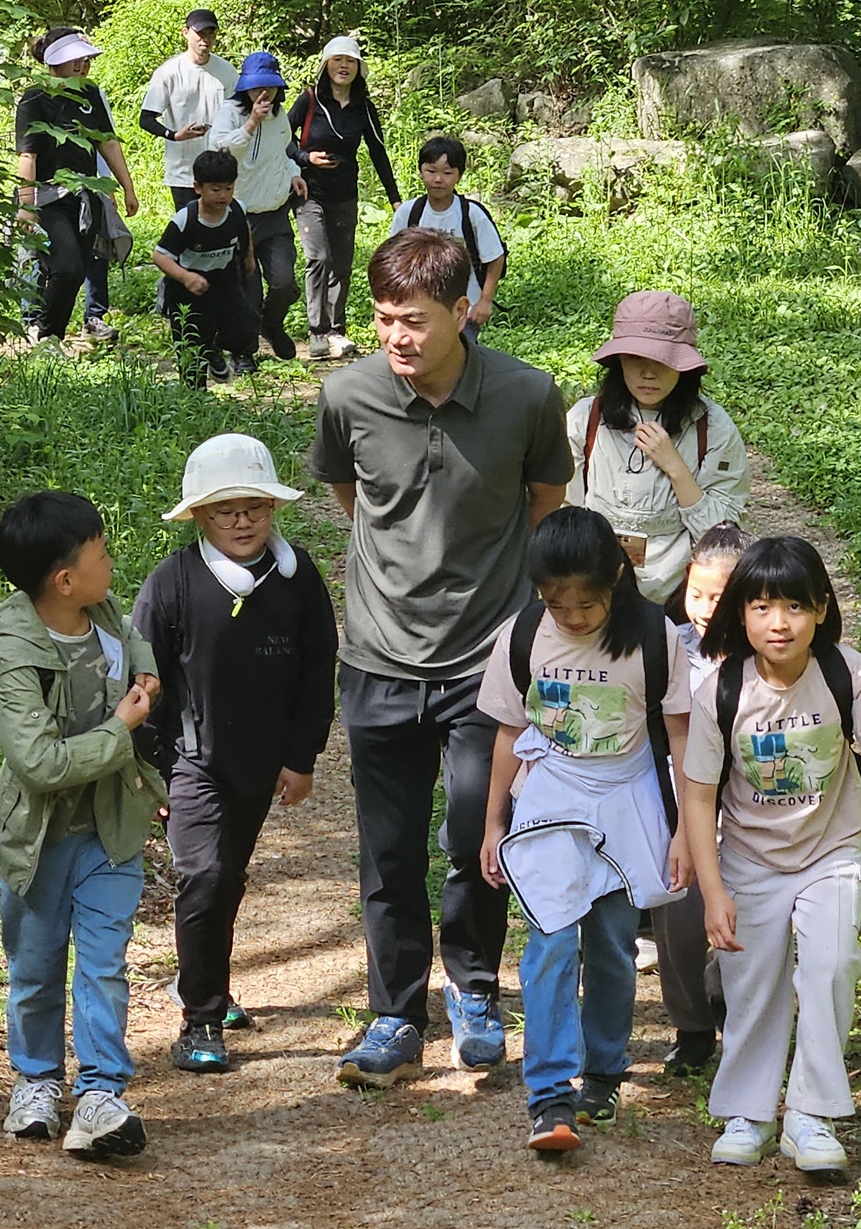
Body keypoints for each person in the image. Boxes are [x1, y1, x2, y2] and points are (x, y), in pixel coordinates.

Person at [307, 228, 572, 1088]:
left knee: (476, 835)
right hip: (379, 658)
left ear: (466, 310)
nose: (397, 338)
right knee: (387, 849)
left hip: (487, 662)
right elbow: (355, 503)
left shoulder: (528, 397)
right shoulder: (347, 396)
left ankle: (473, 989)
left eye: (414, 320)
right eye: (383, 320)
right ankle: (393, 1013)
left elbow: (544, 508)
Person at [684, 536, 861, 1174]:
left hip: (832, 851)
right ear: (741, 614)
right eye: (762, 606)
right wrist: (713, 893)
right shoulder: (718, 688)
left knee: (831, 964)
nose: (779, 622)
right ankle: (748, 1112)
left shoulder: (845, 672)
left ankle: (812, 1117)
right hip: (747, 858)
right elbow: (698, 794)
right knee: (752, 983)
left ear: (821, 609)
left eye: (795, 606)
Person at [478, 507, 691, 1152]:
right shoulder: (521, 636)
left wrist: (683, 830)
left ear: (619, 580)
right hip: (551, 794)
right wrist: (492, 821)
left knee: (612, 946)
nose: (571, 616)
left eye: (587, 603)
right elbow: (510, 732)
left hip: (629, 796)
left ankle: (602, 1070)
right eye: (556, 603)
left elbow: (679, 734)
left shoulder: (657, 637)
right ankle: (549, 1096)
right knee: (548, 943)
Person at [0, 491, 167, 1161]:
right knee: (36, 966)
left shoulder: (99, 609)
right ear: (63, 579)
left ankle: (103, 1092)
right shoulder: (13, 651)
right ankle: (37, 1081)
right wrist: (122, 728)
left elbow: (131, 633)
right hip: (38, 840)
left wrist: (146, 667)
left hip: (110, 829)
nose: (112, 561)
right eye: (102, 553)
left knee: (105, 966)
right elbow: (39, 763)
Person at [132, 434, 337, 1075]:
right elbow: (142, 683)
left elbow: (316, 672)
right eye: (225, 510)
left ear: (273, 508)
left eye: (254, 506)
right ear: (198, 516)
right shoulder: (172, 583)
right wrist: (151, 772)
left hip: (261, 762)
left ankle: (211, 987)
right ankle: (198, 1020)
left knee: (229, 877)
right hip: (190, 762)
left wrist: (301, 758)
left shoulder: (298, 579)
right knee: (205, 877)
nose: (242, 521)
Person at [566, 291, 750, 615]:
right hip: (596, 592)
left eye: (662, 361)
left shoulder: (713, 426)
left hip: (683, 600)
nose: (648, 373)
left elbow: (722, 541)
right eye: (636, 359)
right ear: (618, 360)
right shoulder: (586, 419)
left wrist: (675, 467)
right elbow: (565, 514)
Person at [655, 521, 751, 1078]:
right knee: (678, 913)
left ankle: (740, 1016)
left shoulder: (766, 651)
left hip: (748, 805)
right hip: (683, 800)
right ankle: (691, 1026)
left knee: (748, 915)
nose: (706, 608)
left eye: (720, 596)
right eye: (697, 593)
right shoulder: (672, 647)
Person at [14, 28, 141, 345]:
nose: (82, 65)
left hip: (87, 195)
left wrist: (127, 188)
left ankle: (51, 339)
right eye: (74, 58)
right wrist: (26, 206)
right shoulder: (35, 98)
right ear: (54, 61)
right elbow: (27, 154)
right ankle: (44, 332)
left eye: (84, 59)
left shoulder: (90, 94)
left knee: (78, 268)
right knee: (66, 267)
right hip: (48, 197)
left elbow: (107, 143)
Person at [288, 36, 400, 361]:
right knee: (318, 257)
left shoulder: (364, 108)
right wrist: (306, 158)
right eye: (338, 60)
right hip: (309, 192)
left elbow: (378, 153)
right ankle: (316, 332)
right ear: (326, 65)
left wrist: (395, 199)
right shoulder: (308, 101)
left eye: (350, 61)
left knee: (342, 265)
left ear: (358, 69)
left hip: (345, 195)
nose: (344, 66)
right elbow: (282, 138)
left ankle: (336, 329)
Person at [208, 51, 306, 362]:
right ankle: (243, 352)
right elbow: (219, 153)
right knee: (245, 292)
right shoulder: (230, 113)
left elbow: (281, 155)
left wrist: (294, 175)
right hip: (240, 216)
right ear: (244, 88)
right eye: (256, 88)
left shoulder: (280, 117)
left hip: (276, 213)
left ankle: (272, 324)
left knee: (284, 282)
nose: (263, 94)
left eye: (270, 87)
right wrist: (250, 124)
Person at [153, 150, 257, 387]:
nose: (223, 195)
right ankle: (194, 399)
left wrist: (249, 256)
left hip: (224, 280)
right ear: (198, 187)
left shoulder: (237, 210)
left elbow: (245, 230)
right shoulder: (185, 220)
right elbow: (159, 256)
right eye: (216, 189)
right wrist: (186, 276)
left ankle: (213, 350)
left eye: (228, 188)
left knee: (243, 328)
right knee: (190, 350)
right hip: (186, 290)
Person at [387, 137, 505, 338]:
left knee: (460, 360)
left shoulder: (471, 214)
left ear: (459, 176)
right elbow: (393, 257)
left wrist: (485, 300)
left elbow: (495, 257)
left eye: (447, 173)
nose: (438, 179)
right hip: (416, 310)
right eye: (431, 171)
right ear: (421, 172)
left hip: (463, 311)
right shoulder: (408, 212)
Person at [140, 9, 238, 210]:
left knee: (221, 228)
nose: (206, 40)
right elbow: (146, 119)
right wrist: (175, 135)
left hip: (220, 167)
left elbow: (239, 113)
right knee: (191, 231)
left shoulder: (227, 71)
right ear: (186, 33)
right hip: (183, 173)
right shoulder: (168, 72)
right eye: (200, 33)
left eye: (211, 34)